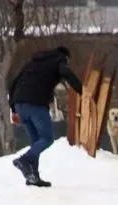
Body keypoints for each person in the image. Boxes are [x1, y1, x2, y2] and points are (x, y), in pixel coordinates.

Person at [8, 46, 83, 187]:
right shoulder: (59, 61)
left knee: (36, 141)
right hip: (35, 104)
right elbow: (66, 72)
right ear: (66, 57)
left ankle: (32, 176)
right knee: (47, 139)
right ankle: (24, 160)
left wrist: (13, 109)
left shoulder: (31, 63)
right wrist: (82, 91)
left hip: (19, 104)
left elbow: (13, 83)